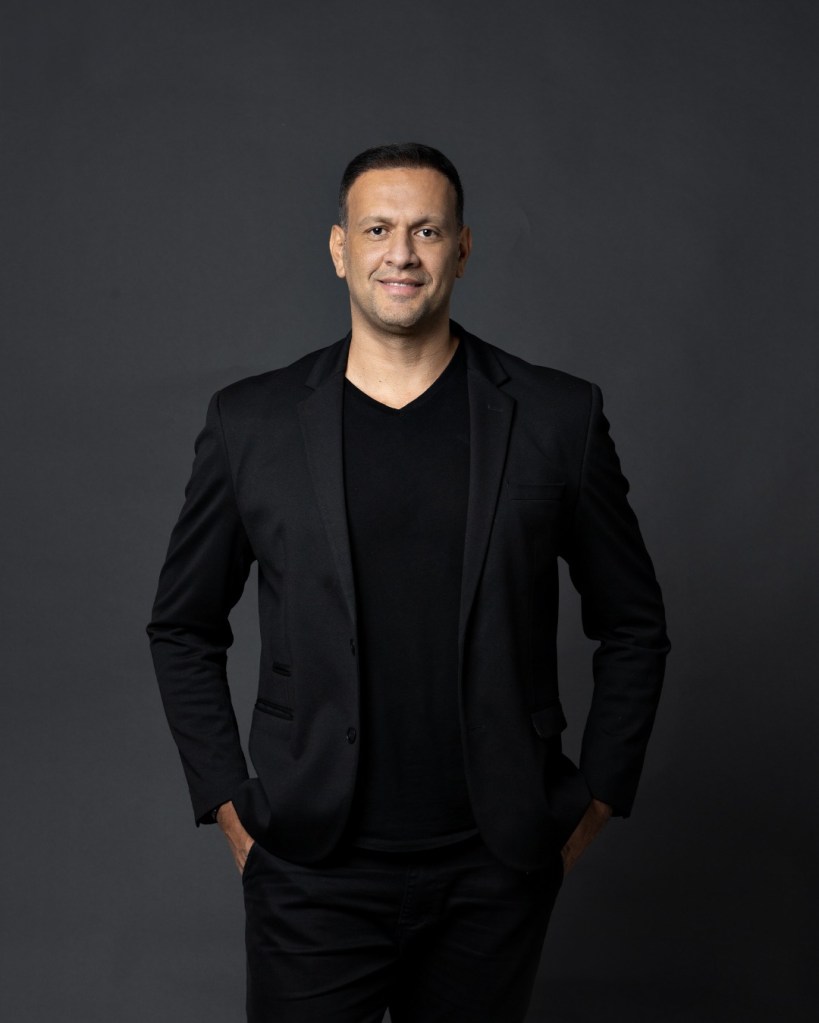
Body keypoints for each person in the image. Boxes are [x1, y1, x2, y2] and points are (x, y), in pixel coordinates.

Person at [147, 142, 670, 1023]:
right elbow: (182, 625)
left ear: (461, 248)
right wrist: (231, 808)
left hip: (493, 868)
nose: (402, 253)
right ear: (338, 248)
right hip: (311, 865)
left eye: (426, 230)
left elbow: (633, 624)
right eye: (377, 229)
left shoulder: (556, 416)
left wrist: (595, 801)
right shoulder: (252, 422)